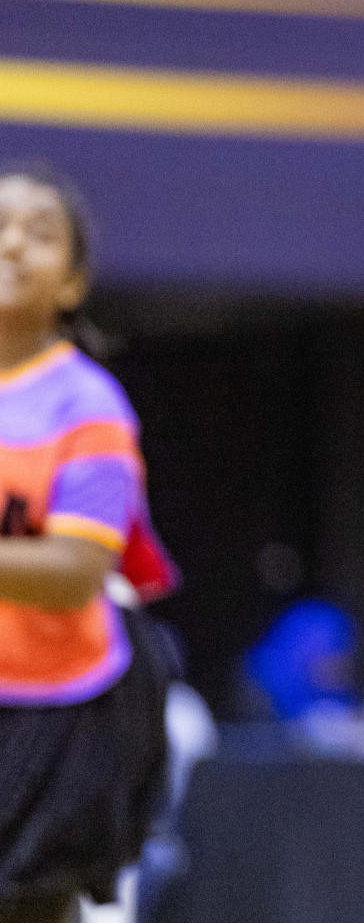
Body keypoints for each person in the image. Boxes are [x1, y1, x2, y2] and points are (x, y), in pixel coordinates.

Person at [0, 165, 178, 923]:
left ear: (71, 286)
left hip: (55, 709)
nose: (11, 243)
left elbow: (76, 569)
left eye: (40, 234)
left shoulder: (88, 404)